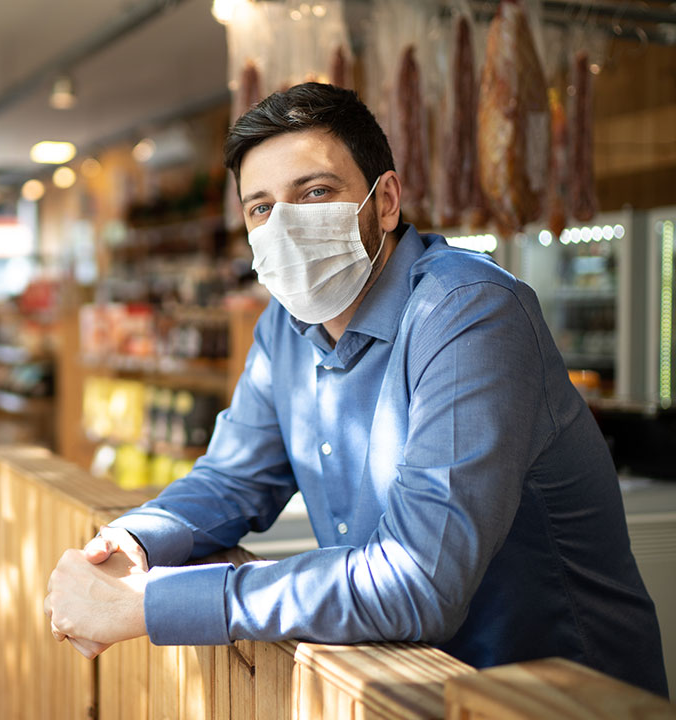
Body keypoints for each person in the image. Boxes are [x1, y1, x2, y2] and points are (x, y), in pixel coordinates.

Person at [43, 82, 668, 697]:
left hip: (550, 699)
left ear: (386, 199)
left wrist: (155, 604)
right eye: (261, 207)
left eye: (314, 192)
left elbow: (418, 578)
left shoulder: (468, 312)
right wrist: (130, 542)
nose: (285, 224)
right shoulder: (285, 328)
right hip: (397, 686)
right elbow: (232, 480)